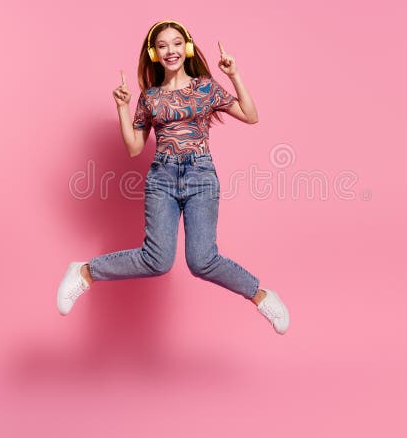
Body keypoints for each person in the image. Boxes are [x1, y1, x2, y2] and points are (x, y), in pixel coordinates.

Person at [56, 20, 289, 334]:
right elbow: (135, 148)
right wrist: (123, 109)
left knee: (202, 260)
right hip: (162, 179)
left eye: (177, 43)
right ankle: (84, 272)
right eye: (163, 45)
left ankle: (261, 296)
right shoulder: (150, 97)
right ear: (154, 53)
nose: (171, 50)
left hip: (200, 176)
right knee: (158, 260)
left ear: (188, 47)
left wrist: (233, 74)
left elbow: (251, 115)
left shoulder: (206, 87)